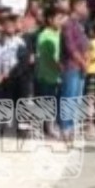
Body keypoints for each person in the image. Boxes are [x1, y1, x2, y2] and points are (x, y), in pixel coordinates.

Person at [57, 0, 90, 137]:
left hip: (81, 66)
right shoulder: (68, 24)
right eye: (84, 6)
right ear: (76, 6)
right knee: (69, 96)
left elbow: (84, 44)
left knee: (76, 97)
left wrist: (87, 59)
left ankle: (72, 126)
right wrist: (82, 62)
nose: (86, 9)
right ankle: (65, 127)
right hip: (72, 66)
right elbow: (70, 47)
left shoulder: (79, 24)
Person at [35, 7, 66, 138]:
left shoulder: (60, 33)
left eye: (62, 18)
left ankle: (54, 125)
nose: (61, 21)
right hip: (47, 75)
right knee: (48, 101)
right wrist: (60, 67)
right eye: (58, 18)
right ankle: (48, 127)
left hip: (59, 75)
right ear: (49, 19)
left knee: (57, 102)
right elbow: (48, 57)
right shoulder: (44, 35)